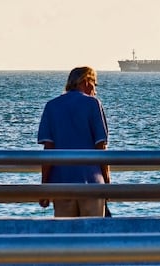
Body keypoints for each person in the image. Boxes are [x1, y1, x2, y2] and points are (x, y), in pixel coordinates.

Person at [37, 66, 110, 217]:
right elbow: (101, 146)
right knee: (93, 235)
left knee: (65, 237)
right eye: (94, 84)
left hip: (61, 184)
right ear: (86, 82)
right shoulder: (93, 104)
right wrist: (107, 182)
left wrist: (44, 187)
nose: (95, 90)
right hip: (92, 183)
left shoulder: (52, 106)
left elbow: (48, 149)